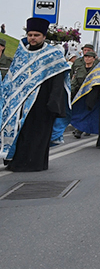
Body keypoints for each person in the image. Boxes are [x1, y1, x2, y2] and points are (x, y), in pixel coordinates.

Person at [0, 17, 71, 171]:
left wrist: (54, 102)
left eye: (36, 35)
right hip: (20, 102)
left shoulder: (53, 55)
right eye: (30, 35)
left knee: (38, 134)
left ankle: (33, 164)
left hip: (43, 102)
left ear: (44, 37)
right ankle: (16, 160)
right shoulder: (22, 53)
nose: (32, 38)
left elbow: (59, 79)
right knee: (21, 132)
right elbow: (13, 77)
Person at [71, 50, 98, 138]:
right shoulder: (79, 69)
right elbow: (74, 82)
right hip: (80, 94)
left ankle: (82, 129)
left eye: (89, 57)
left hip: (92, 94)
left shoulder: (97, 69)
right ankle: (79, 129)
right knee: (80, 112)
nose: (87, 59)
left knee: (89, 112)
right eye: (86, 57)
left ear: (94, 59)